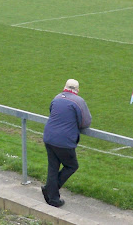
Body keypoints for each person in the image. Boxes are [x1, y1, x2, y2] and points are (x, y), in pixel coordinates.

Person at [41, 79, 91, 208]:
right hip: (64, 141)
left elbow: (52, 111)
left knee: (53, 168)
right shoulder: (79, 102)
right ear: (77, 90)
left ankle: (52, 196)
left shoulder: (57, 98)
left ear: (65, 87)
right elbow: (85, 123)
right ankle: (51, 191)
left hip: (49, 137)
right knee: (72, 166)